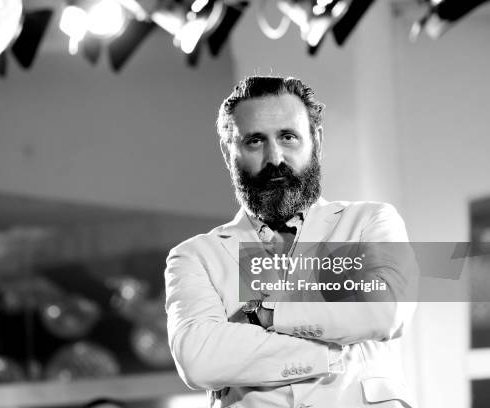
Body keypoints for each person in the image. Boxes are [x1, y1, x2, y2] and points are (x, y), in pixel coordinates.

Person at [164, 76, 417, 408]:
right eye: (255, 141)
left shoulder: (370, 223)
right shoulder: (195, 256)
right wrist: (335, 346)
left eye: (288, 136)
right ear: (230, 154)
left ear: (317, 141)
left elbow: (385, 311)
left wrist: (269, 315)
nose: (275, 158)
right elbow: (198, 359)